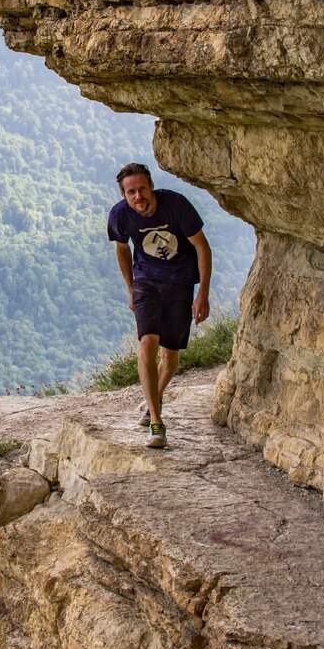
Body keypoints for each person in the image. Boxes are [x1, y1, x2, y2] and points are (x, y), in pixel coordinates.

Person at [108, 162, 212, 448]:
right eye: (131, 192)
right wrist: (131, 289)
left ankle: (154, 395)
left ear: (151, 186)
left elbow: (202, 247)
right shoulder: (120, 215)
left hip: (180, 282)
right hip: (146, 282)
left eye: (142, 189)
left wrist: (203, 293)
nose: (138, 196)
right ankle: (156, 420)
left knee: (170, 357)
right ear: (123, 195)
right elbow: (122, 249)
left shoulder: (176, 205)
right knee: (147, 343)